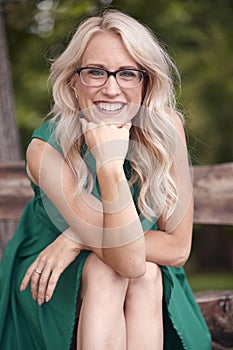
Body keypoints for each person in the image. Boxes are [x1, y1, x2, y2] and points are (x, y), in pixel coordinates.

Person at [0, 9, 211, 350]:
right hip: (51, 280)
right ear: (73, 80)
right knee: (111, 269)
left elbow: (177, 248)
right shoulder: (46, 150)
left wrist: (76, 240)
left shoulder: (166, 128)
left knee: (143, 274)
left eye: (128, 73)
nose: (111, 89)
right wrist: (110, 165)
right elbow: (125, 260)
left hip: (140, 277)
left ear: (146, 82)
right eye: (95, 72)